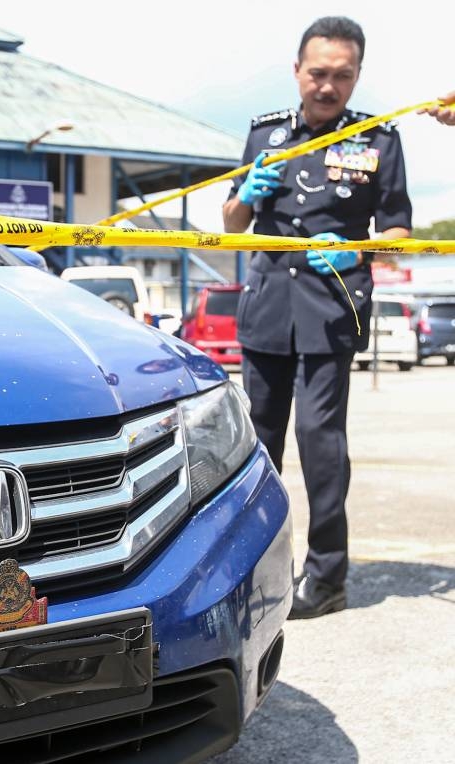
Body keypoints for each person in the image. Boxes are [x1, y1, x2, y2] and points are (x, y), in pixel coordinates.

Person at [222, 16, 412, 619]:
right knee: (259, 442)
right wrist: (247, 194)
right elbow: (232, 225)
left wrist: (359, 249)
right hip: (269, 304)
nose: (328, 86)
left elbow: (400, 228)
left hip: (333, 304)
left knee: (320, 439)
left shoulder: (379, 140)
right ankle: (254, 568)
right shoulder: (266, 135)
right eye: (318, 73)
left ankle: (327, 575)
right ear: (297, 70)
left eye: (342, 76)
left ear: (357, 76)